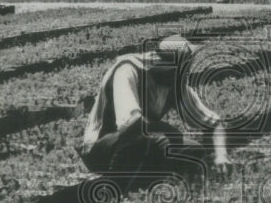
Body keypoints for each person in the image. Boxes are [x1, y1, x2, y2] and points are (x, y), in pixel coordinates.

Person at [79, 34, 230, 175]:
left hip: (143, 141)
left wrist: (221, 155)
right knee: (158, 140)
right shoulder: (128, 70)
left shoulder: (174, 82)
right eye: (185, 67)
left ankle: (147, 178)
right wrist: (168, 130)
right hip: (103, 146)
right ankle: (121, 183)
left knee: (194, 150)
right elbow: (130, 123)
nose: (188, 72)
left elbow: (213, 123)